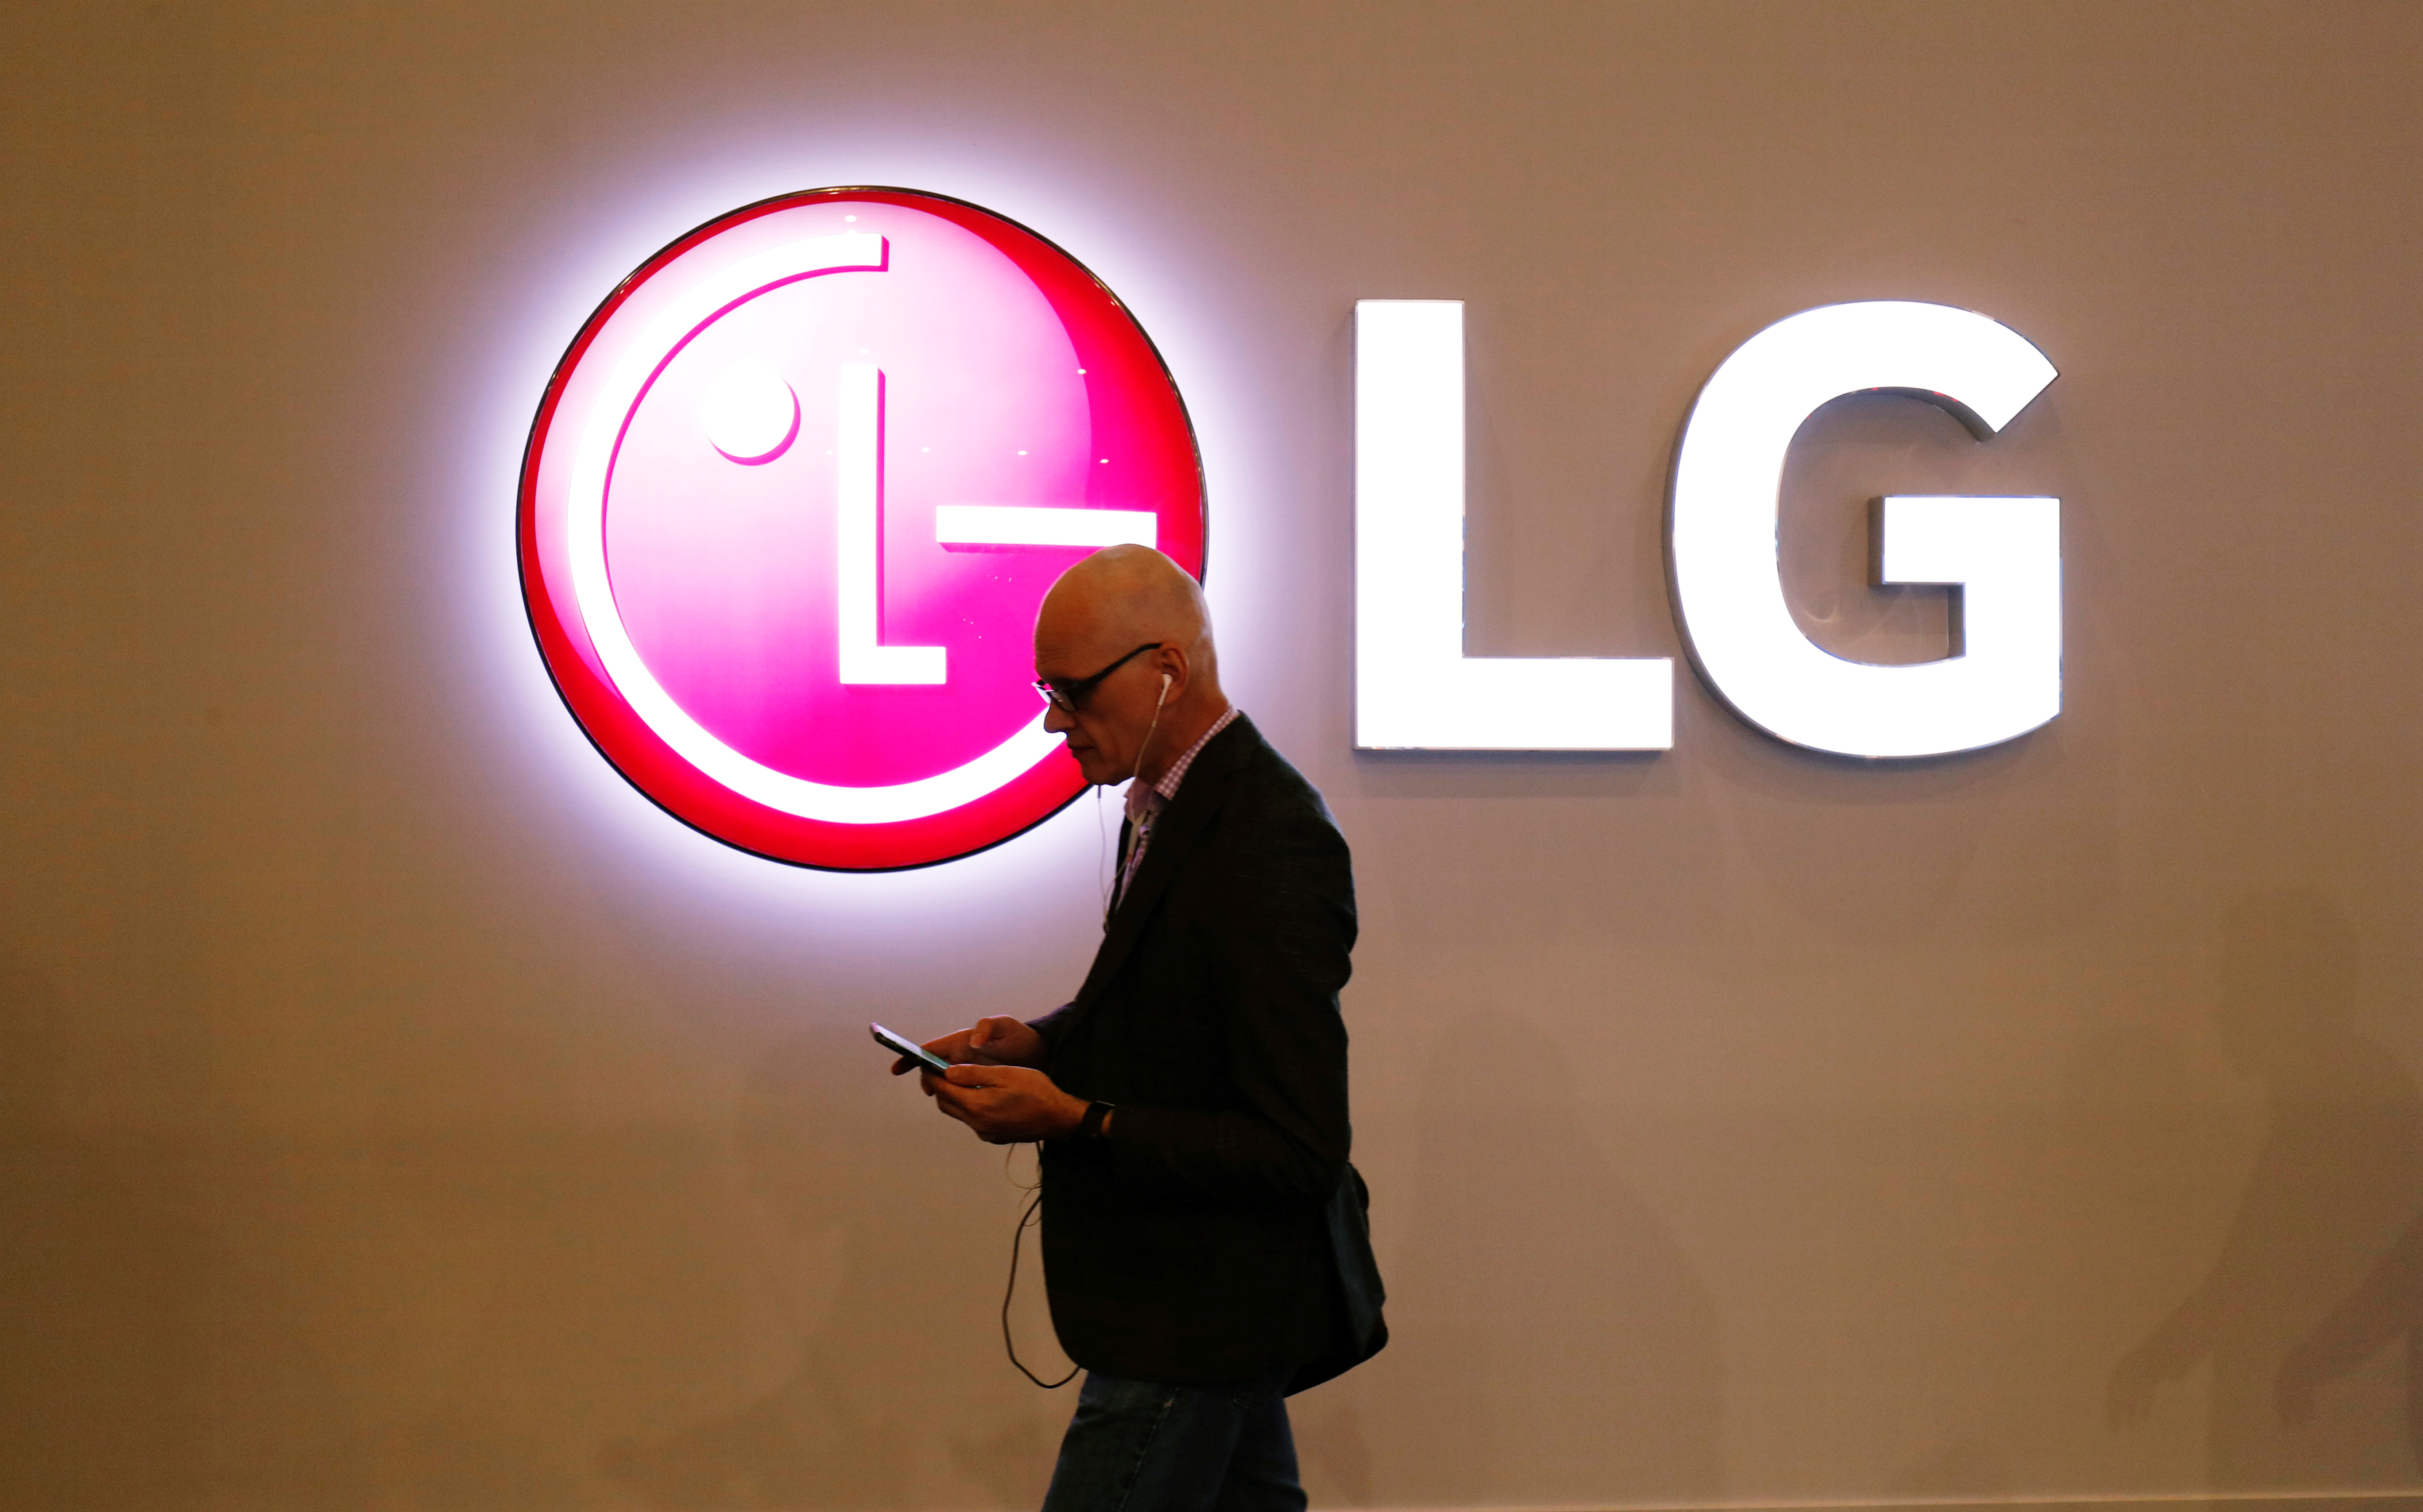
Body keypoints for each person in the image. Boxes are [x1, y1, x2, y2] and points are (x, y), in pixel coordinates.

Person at [895, 545, 1385, 1512]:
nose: (1053, 721)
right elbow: (1170, 1010)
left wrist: (1074, 1117)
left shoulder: (1271, 836)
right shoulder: (1166, 807)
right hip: (1201, 1305)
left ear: (1167, 668)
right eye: (1047, 691)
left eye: (1072, 692)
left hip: (1197, 1316)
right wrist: (1040, 1041)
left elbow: (1298, 1147)